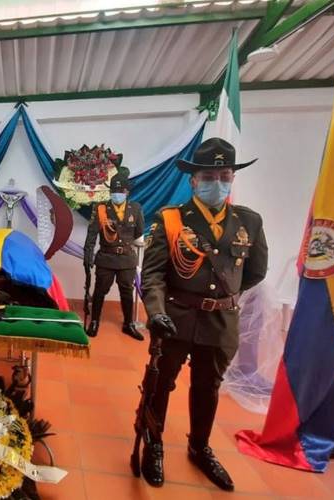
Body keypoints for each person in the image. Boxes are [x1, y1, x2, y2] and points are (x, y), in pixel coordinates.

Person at [139, 138, 268, 491]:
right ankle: (153, 442)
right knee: (159, 384)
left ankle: (199, 447)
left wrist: (222, 299)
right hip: (175, 318)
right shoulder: (171, 219)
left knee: (207, 388)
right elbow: (151, 274)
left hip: (221, 321)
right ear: (193, 180)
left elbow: (255, 271)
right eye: (209, 175)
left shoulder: (249, 222)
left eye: (224, 175)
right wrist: (155, 311)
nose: (218, 182)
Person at [83, 173, 145, 340]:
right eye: (114, 190)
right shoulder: (101, 208)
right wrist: (87, 255)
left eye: (120, 190)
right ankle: (94, 322)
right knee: (100, 290)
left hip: (126, 259)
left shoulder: (136, 208)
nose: (116, 194)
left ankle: (128, 324)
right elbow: (92, 234)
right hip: (106, 258)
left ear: (127, 192)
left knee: (127, 291)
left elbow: (139, 231)